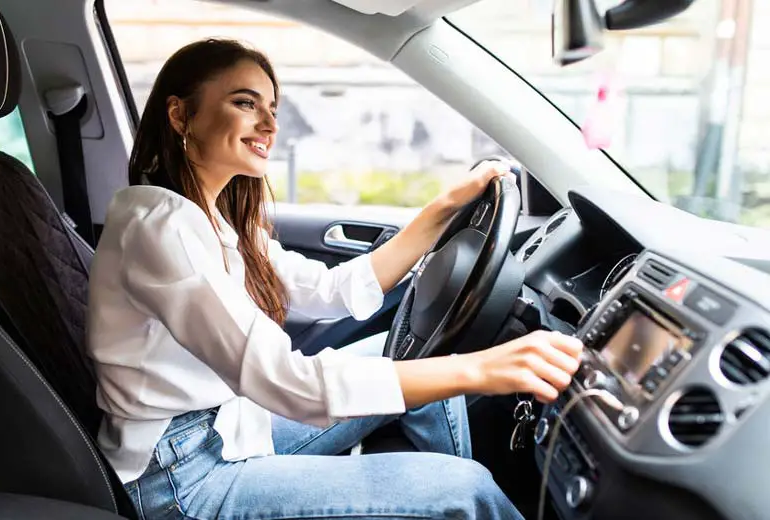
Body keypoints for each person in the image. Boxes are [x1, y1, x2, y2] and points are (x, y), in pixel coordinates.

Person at [87, 38, 583, 520]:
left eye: (272, 108)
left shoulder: (212, 220)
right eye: (245, 102)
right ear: (180, 115)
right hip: (183, 481)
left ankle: (431, 499)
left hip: (233, 426)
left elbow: (331, 292)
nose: (269, 123)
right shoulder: (160, 228)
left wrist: (446, 207)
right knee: (466, 489)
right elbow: (287, 382)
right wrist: (485, 368)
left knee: (416, 357)